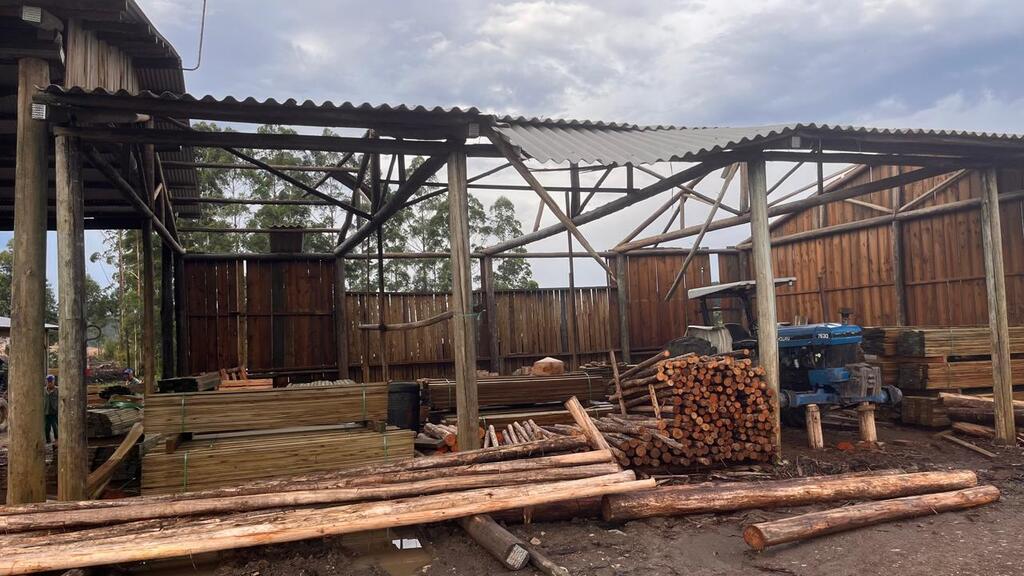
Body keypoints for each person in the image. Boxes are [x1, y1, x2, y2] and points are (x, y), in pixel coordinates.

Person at [43, 374, 58, 444]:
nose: (49, 383)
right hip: (46, 412)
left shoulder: (57, 390)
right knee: (46, 427)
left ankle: (57, 439)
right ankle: (48, 440)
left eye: (50, 382)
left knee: (55, 427)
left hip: (54, 412)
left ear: (53, 381)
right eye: (48, 382)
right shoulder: (44, 390)